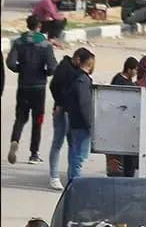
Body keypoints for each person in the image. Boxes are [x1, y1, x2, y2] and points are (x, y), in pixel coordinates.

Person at [8, 15, 56, 164]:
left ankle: (15, 140)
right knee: (38, 120)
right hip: (38, 87)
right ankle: (34, 153)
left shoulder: (18, 42)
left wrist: (19, 69)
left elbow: (10, 62)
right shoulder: (44, 44)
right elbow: (52, 67)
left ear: (27, 25)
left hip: (23, 85)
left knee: (20, 117)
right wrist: (45, 73)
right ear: (39, 26)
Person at [46, 47, 96, 190]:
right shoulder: (65, 68)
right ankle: (54, 176)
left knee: (72, 145)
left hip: (71, 112)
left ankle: (71, 176)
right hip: (62, 112)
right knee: (58, 142)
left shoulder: (77, 73)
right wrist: (60, 104)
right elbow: (54, 86)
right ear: (78, 59)